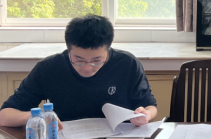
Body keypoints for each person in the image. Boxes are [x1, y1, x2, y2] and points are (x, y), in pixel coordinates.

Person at [0, 15, 157, 128]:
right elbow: (4, 115)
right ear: (68, 49)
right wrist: (37, 116)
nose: (88, 67)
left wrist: (146, 115)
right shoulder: (48, 68)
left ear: (108, 49)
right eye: (79, 60)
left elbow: (150, 106)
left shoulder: (127, 64)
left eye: (97, 60)